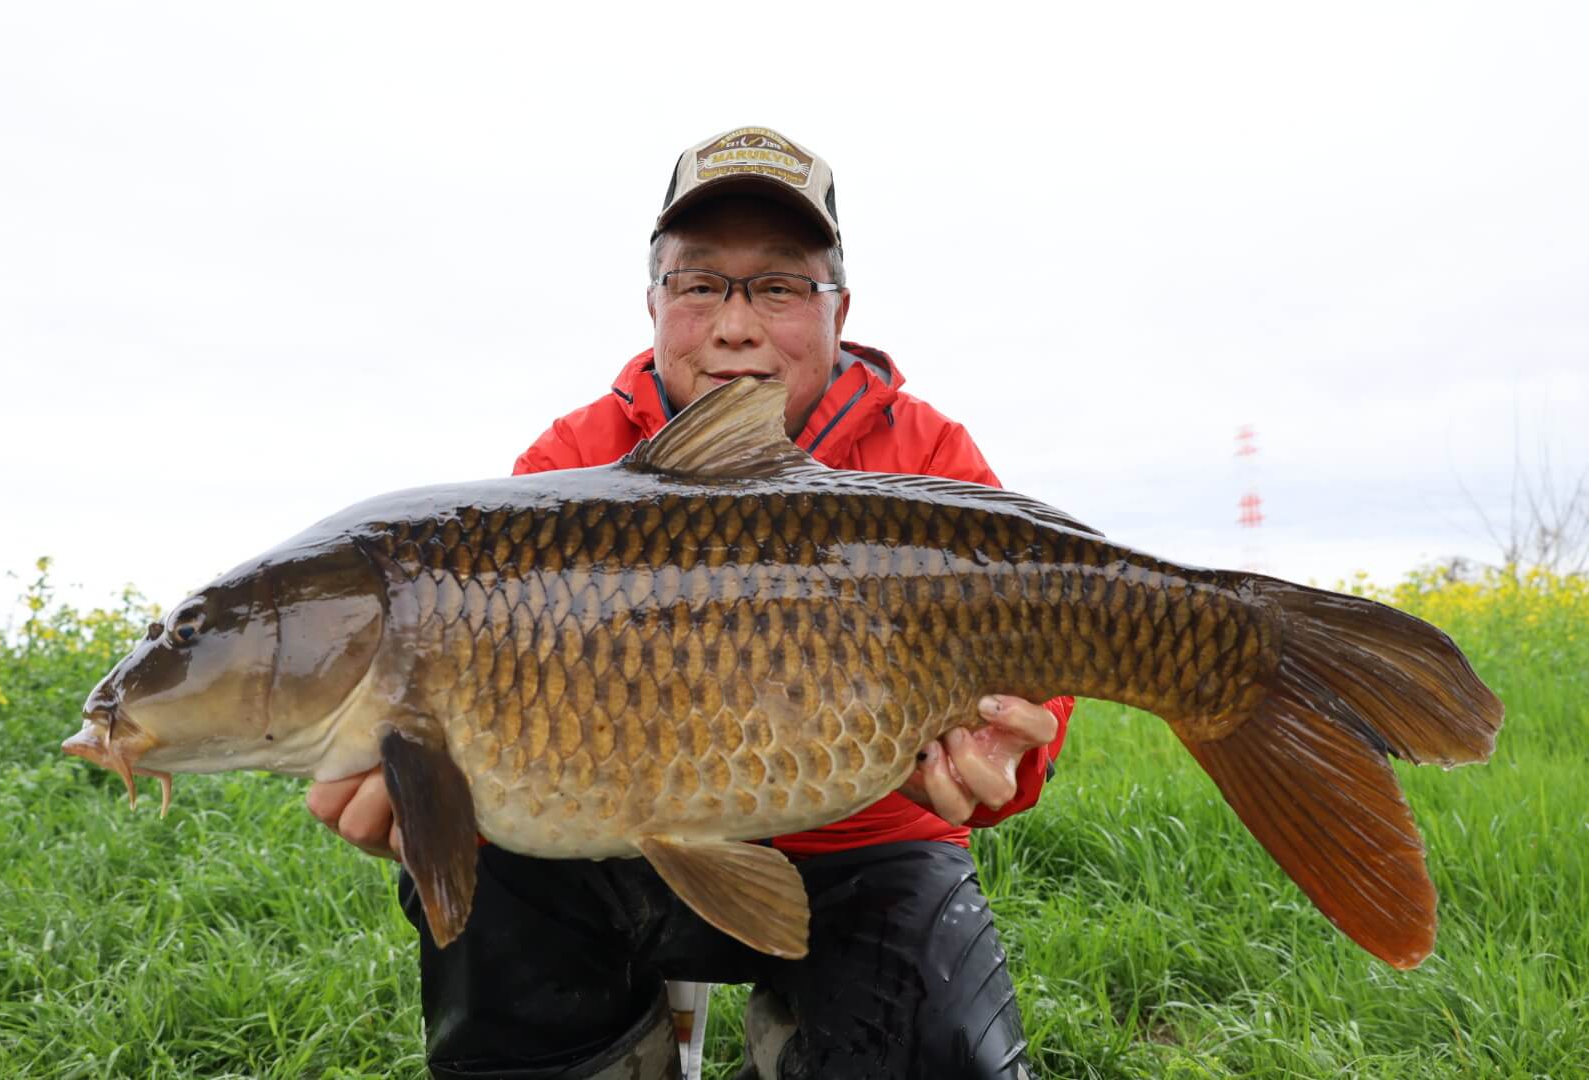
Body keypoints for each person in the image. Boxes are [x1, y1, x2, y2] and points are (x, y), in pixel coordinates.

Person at [306, 126, 1074, 1080]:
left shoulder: (926, 459)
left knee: (937, 1053)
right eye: (700, 284)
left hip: (867, 847)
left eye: (779, 287)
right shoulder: (569, 467)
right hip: (611, 848)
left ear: (839, 309)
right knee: (497, 870)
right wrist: (429, 800)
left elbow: (1048, 676)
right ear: (655, 304)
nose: (735, 326)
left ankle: (806, 1041)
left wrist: (1006, 762)